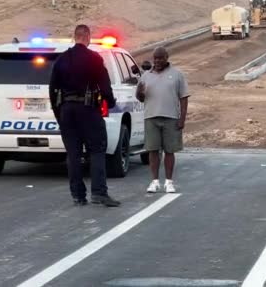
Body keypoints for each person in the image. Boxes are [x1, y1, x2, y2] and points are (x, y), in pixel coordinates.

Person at [49, 24, 120, 207]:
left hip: (66, 111)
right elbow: (104, 85)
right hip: (88, 110)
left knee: (73, 154)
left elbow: (52, 89)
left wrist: (59, 114)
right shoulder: (94, 58)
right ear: (87, 36)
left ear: (75, 37)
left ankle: (78, 196)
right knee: (96, 150)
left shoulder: (62, 59)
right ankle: (99, 193)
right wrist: (110, 102)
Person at [136, 47, 189, 193]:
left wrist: (182, 118)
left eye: (161, 58)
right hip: (151, 117)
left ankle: (169, 182)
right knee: (153, 151)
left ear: (167, 58)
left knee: (169, 151)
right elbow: (140, 98)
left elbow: (183, 98)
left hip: (171, 117)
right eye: (155, 58)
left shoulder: (177, 74)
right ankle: (154, 181)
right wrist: (139, 92)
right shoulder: (146, 76)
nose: (157, 61)